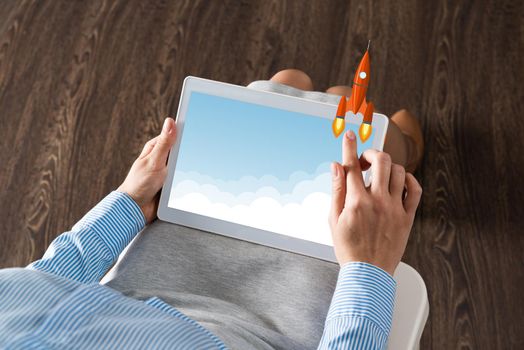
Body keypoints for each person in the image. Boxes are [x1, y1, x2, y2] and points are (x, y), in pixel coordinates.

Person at [0, 69, 423, 349]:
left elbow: (41, 285)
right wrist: (368, 268)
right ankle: (402, 145)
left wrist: (128, 204)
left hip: (146, 283)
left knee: (280, 86)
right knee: (354, 121)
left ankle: (325, 101)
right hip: (271, 328)